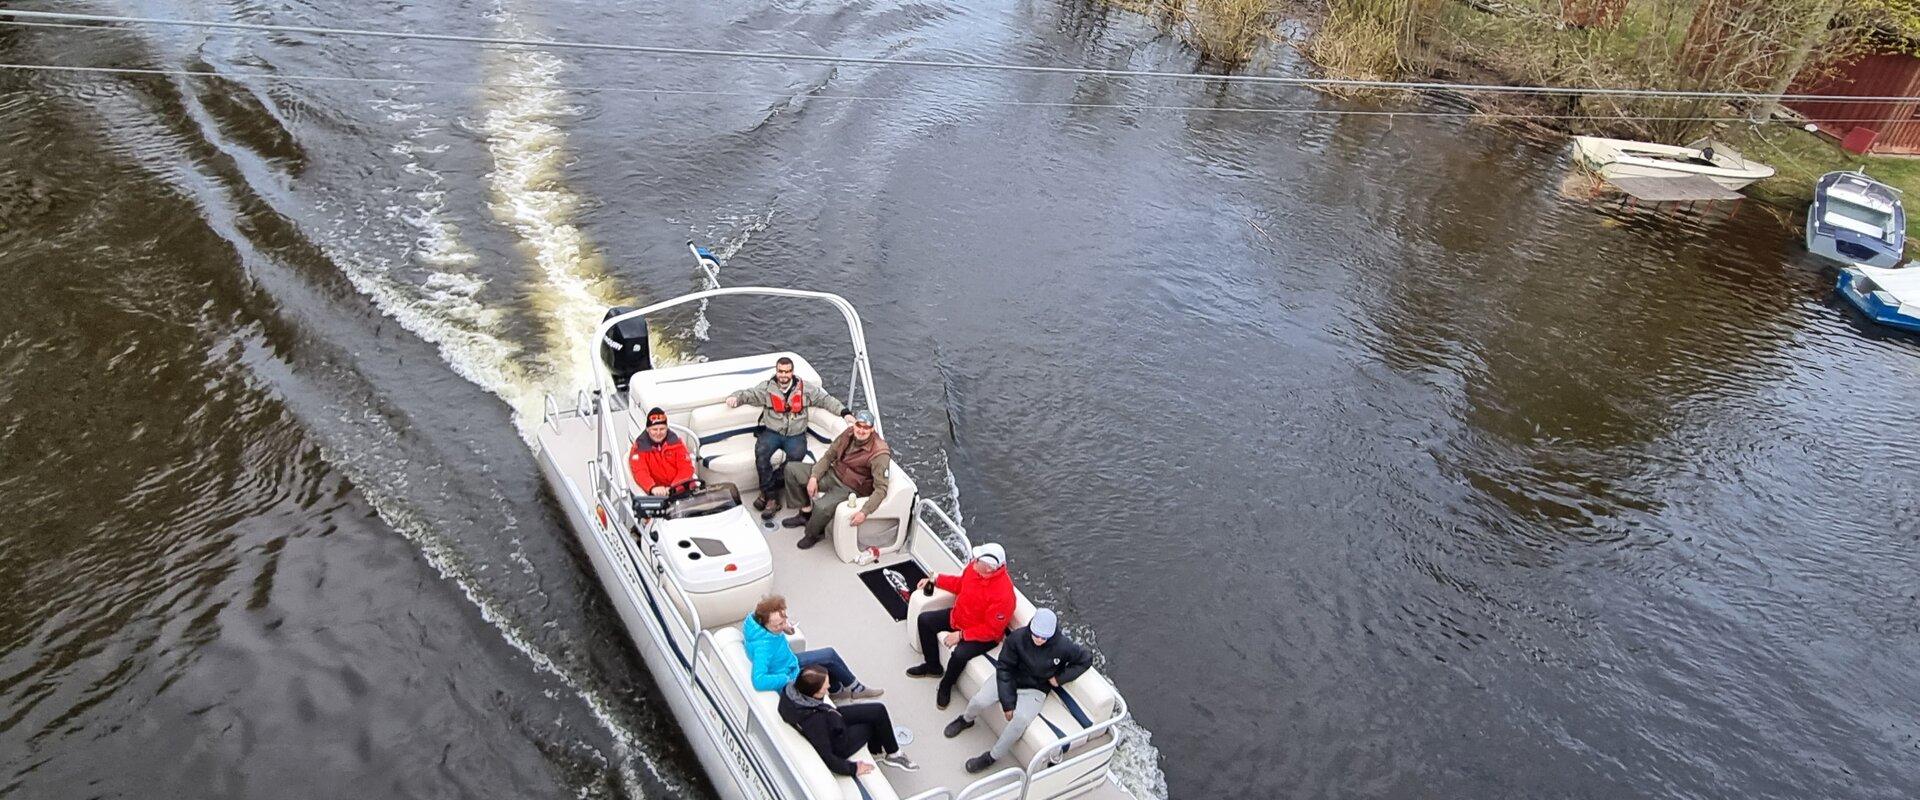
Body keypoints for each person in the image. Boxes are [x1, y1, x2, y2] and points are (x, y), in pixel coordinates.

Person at [944, 608, 1093, 774]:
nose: (1039, 639)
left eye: (1044, 637)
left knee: (1019, 721)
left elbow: (1085, 659)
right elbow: (1004, 669)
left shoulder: (1064, 646)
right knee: (980, 700)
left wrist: (1059, 678)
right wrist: (1008, 704)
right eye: (1036, 634)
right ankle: (966, 719)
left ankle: (991, 757)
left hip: (1036, 688)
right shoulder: (1017, 638)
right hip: (1009, 676)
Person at [726, 357, 855, 519]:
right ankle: (772, 498)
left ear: (792, 372)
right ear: (776, 371)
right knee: (761, 454)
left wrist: (845, 413)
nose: (783, 375)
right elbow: (748, 394)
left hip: (796, 434)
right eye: (780, 371)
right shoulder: (767, 388)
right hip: (772, 432)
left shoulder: (805, 389)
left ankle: (766, 491)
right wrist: (735, 397)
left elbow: (825, 400)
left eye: (787, 372)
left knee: (795, 460)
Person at [906, 543, 1016, 709]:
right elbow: (959, 584)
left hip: (983, 635)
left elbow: (992, 630)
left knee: (960, 654)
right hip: (958, 618)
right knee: (925, 620)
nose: (973, 560)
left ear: (988, 568)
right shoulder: (973, 569)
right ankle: (933, 666)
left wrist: (961, 635)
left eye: (977, 559)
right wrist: (936, 579)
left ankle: (946, 685)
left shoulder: (1004, 596)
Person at [779, 666, 919, 776]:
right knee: (872, 725)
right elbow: (828, 757)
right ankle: (876, 752)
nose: (828, 692)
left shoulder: (791, 691)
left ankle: (892, 753)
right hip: (838, 741)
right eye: (825, 689)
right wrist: (854, 768)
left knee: (878, 710)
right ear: (815, 694)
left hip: (829, 716)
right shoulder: (814, 722)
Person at [779, 410, 889, 550]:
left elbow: (881, 489)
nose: (861, 431)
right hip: (834, 473)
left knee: (821, 507)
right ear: (854, 424)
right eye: (859, 426)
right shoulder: (848, 433)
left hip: (851, 487)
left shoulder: (879, 453)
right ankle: (805, 513)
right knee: (791, 470)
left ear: (872, 430)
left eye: (866, 428)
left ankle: (813, 534)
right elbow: (829, 456)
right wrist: (814, 477)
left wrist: (864, 512)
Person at [743, 595, 882, 700]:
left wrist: (785, 627)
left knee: (829, 655)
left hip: (788, 660)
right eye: (778, 625)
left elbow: (778, 626)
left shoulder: (760, 625)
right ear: (765, 624)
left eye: (783, 620)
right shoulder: (763, 648)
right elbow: (759, 680)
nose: (782, 625)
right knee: (826, 661)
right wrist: (785, 678)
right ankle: (854, 690)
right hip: (788, 672)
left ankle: (837, 690)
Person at [627, 407, 694, 496]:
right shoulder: (639, 448)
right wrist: (652, 487)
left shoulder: (677, 443)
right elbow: (640, 472)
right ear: (647, 429)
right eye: (654, 429)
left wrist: (675, 488)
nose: (658, 433)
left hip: (680, 489)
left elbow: (686, 468)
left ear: (667, 428)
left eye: (662, 429)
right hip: (657, 494)